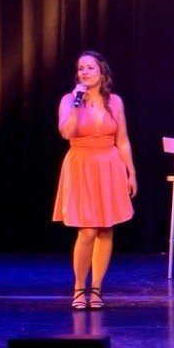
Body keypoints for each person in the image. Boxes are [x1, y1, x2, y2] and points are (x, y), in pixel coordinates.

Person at [53, 50, 137, 311]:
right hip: (81, 165)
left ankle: (97, 288)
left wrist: (130, 172)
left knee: (105, 228)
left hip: (109, 165)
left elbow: (122, 140)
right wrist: (78, 104)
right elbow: (66, 132)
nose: (84, 72)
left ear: (102, 72)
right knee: (87, 229)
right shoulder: (69, 100)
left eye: (90, 68)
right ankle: (80, 288)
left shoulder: (116, 102)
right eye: (81, 68)